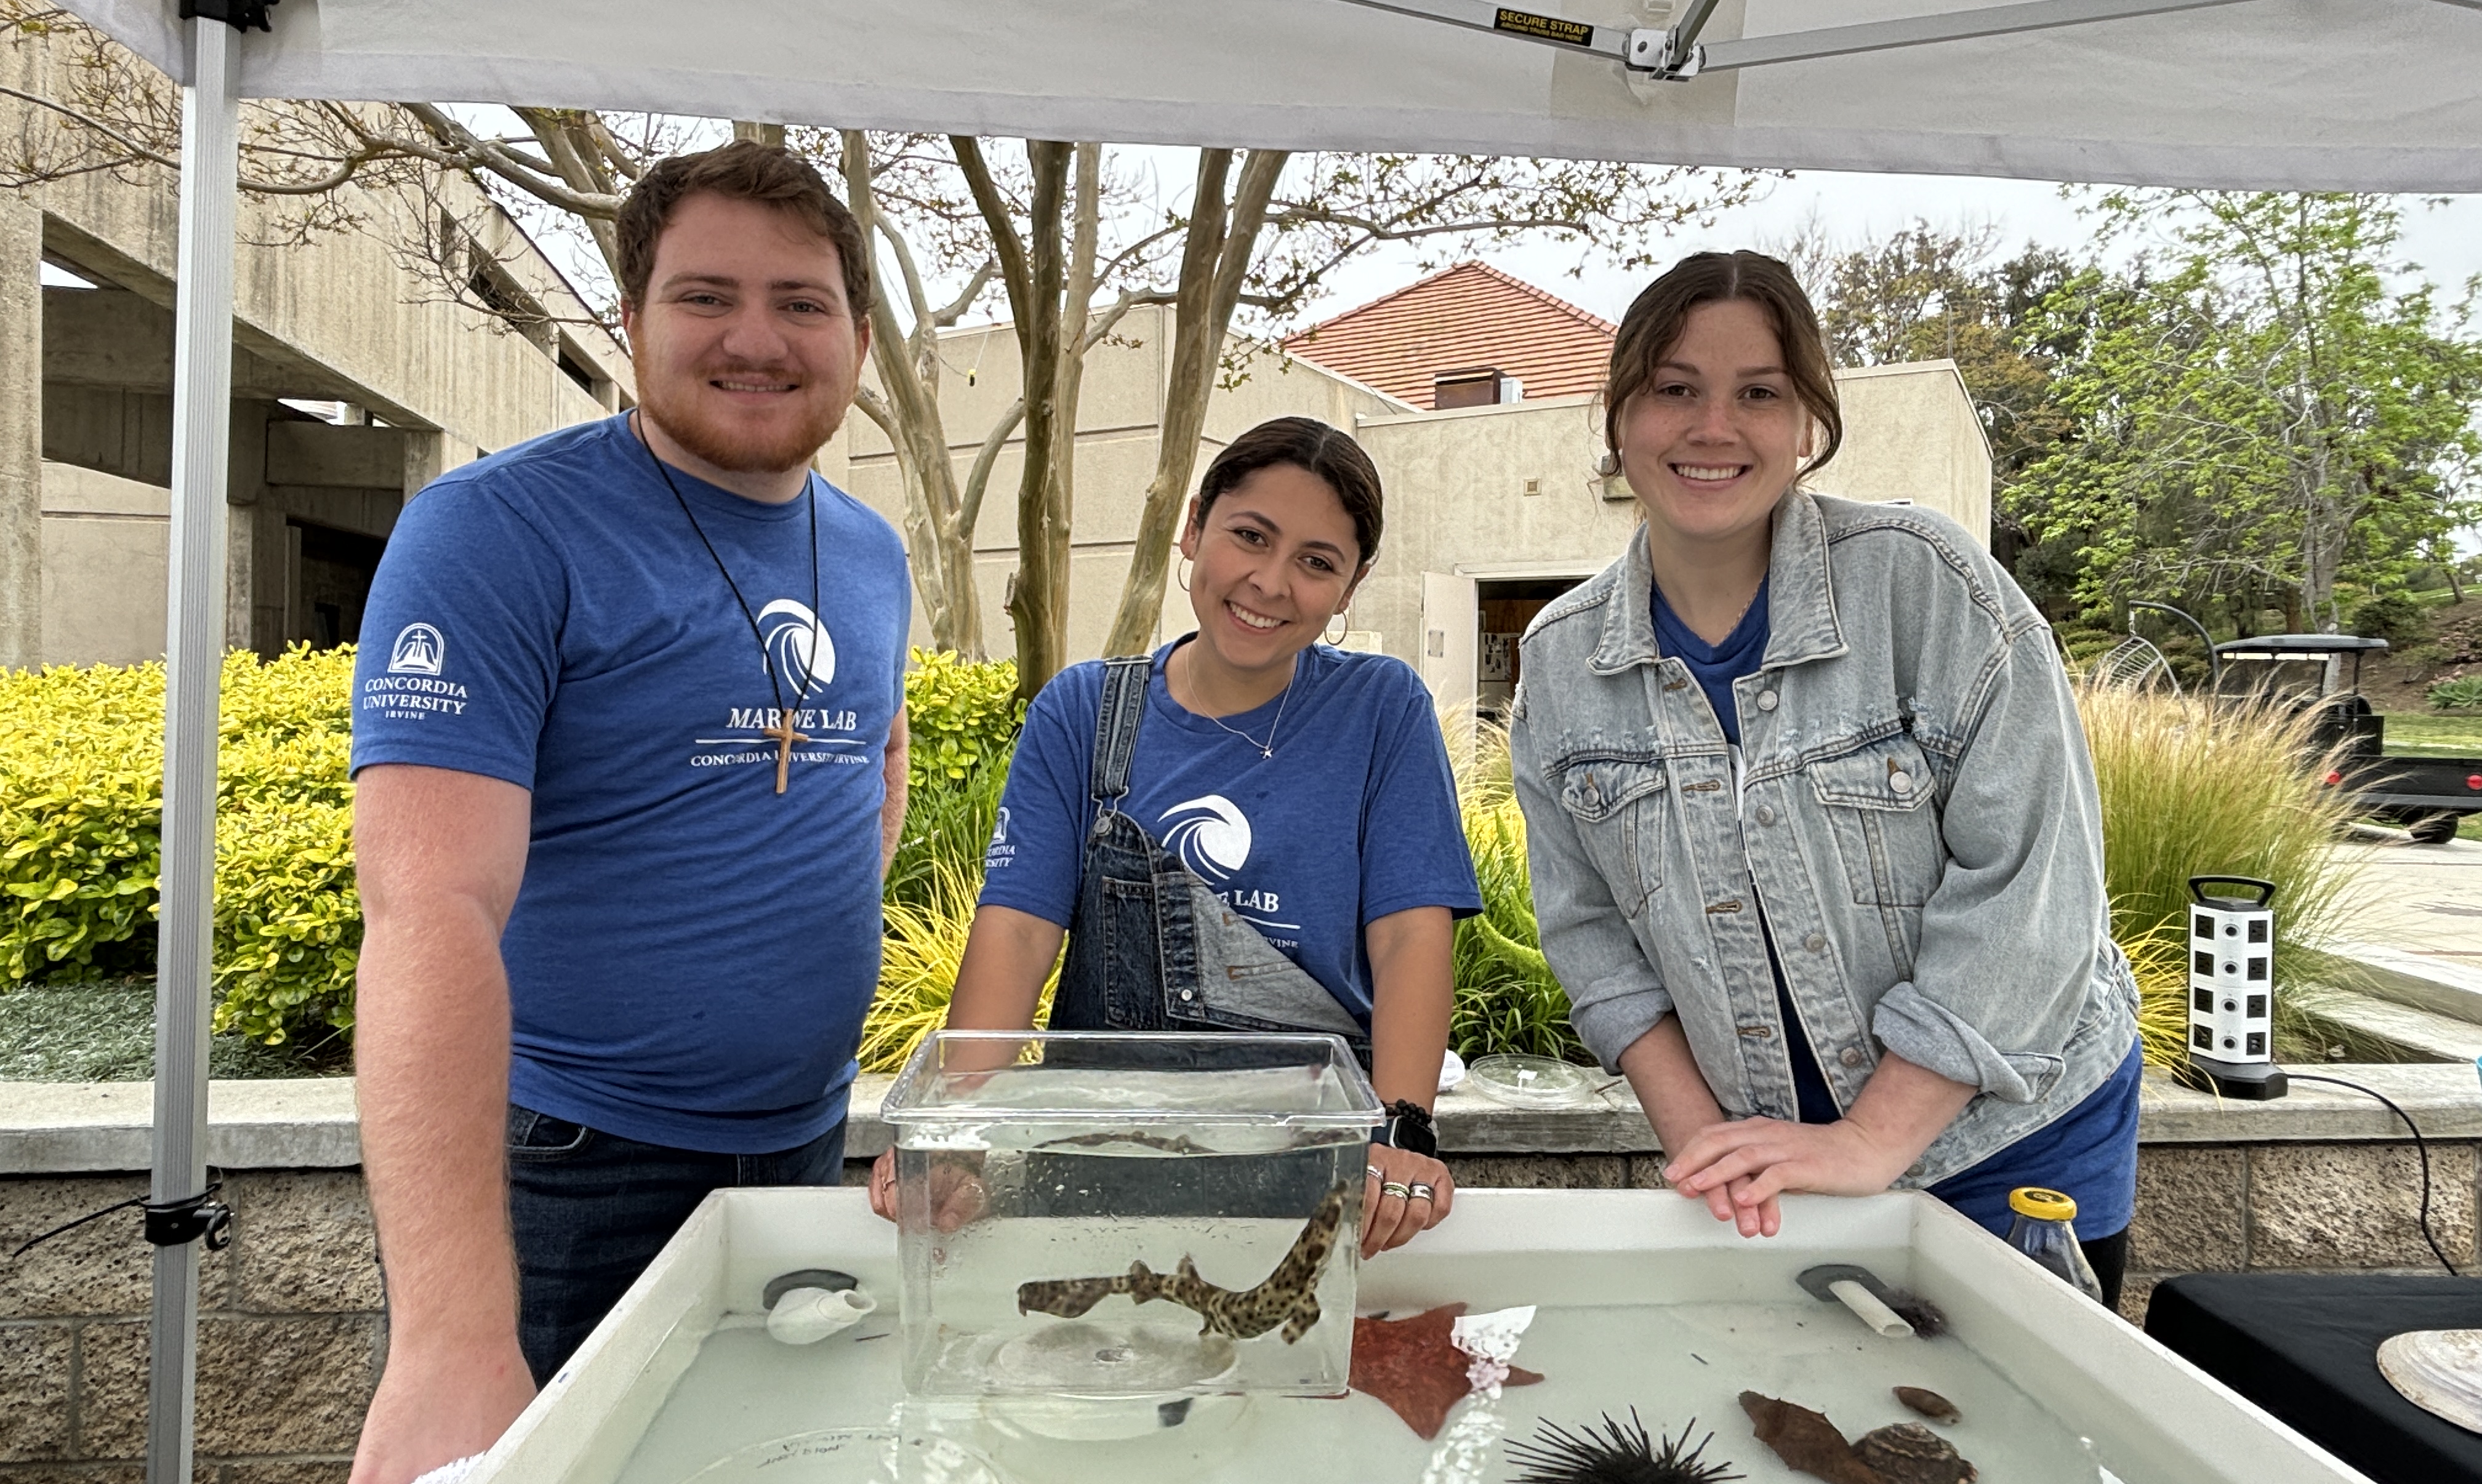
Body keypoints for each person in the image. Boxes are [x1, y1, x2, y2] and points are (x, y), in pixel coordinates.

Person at [327, 143, 910, 1484]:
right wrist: (453, 1338)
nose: (758, 338)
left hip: (803, 1147)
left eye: (803, 303)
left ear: (859, 337)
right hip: (576, 1174)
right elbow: (427, 912)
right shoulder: (494, 531)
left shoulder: (874, 550)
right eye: (707, 295)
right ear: (630, 322)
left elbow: (868, 760)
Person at [1509, 251, 2141, 1303]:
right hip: (1769, 1160)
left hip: (2015, 1138)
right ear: (1620, 417)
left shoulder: (1926, 586)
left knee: (2002, 1451)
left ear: (1807, 423)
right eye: (1675, 389)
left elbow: (2034, 894)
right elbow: (1593, 940)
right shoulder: (1560, 662)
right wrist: (1711, 1146)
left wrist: (1867, 1141)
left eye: (1758, 392)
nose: (1714, 426)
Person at [867, 418, 1480, 1254]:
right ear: (1195, 527)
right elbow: (1014, 931)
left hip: (1317, 1170)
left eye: (1316, 562)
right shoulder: (1084, 713)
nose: (1270, 582)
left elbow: (1412, 935)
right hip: (1097, 1163)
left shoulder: (1382, 710)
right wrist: (957, 1132)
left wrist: (1400, 1133)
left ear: (1350, 586)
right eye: (1249, 537)